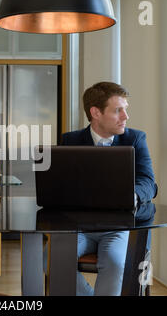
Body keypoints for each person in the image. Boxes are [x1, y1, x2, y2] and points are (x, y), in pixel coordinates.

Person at [61, 81, 157, 296]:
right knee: (51, 259)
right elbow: (63, 186)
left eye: (125, 110)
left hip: (118, 228)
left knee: (115, 262)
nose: (125, 116)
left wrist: (130, 195)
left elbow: (148, 182)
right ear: (96, 112)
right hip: (79, 229)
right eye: (118, 110)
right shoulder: (70, 140)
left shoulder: (136, 138)